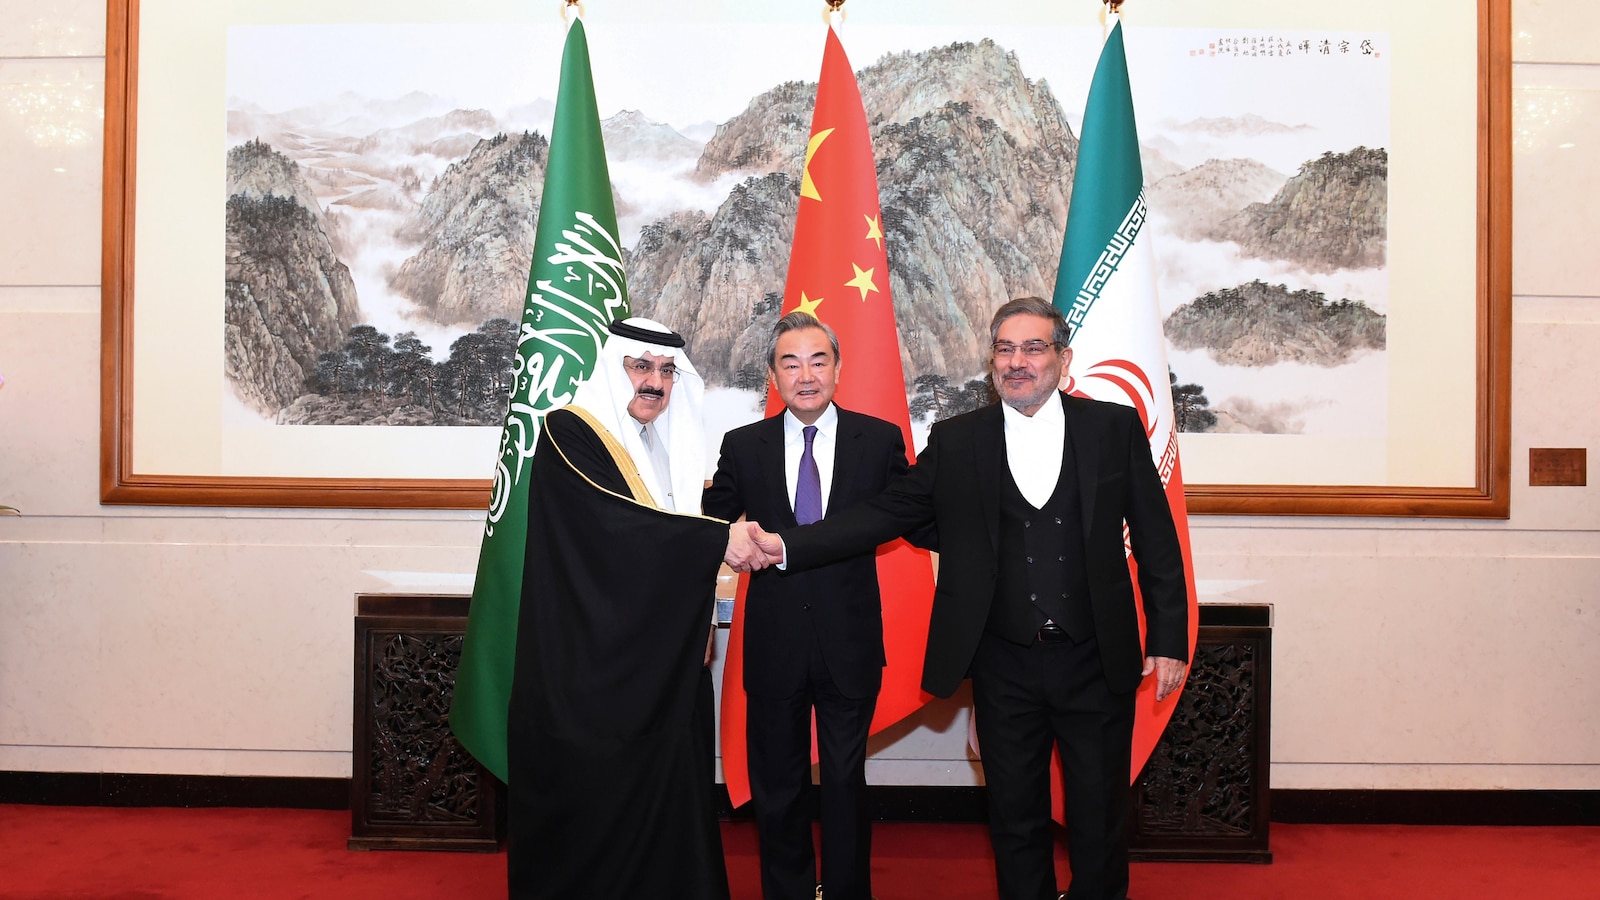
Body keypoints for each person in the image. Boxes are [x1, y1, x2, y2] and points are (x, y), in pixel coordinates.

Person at [754, 298, 1189, 900]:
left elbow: (1158, 540)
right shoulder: (959, 440)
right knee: (1014, 817)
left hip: (1097, 658)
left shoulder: (1113, 428)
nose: (1017, 362)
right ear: (992, 362)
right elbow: (889, 512)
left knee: (1099, 818)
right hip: (1002, 662)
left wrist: (1169, 638)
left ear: (1063, 359)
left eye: (1033, 348)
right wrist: (788, 545)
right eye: (1005, 349)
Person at [505, 317, 765, 900]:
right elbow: (615, 528)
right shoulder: (569, 432)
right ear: (612, 368)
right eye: (641, 366)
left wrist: (708, 577)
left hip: (662, 670)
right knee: (596, 819)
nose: (656, 382)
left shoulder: (664, 447)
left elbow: (664, 537)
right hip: (590, 676)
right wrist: (716, 539)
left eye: (668, 371)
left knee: (670, 812)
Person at [703, 312, 923, 900]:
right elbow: (711, 523)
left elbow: (907, 514)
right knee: (778, 785)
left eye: (818, 361)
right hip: (773, 642)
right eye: (791, 363)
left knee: (846, 782)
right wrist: (727, 537)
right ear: (772, 375)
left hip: (849, 640)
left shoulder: (877, 440)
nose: (806, 376)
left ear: (838, 369)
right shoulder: (742, 446)